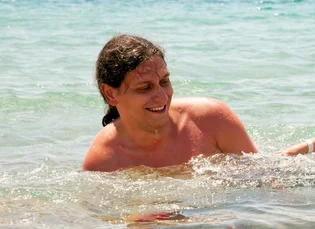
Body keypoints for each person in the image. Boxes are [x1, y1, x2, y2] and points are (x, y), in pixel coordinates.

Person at [82, 34, 257, 171]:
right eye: (144, 88)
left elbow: (260, 174)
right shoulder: (103, 161)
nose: (162, 97)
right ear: (110, 94)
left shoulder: (211, 119)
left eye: (164, 82)